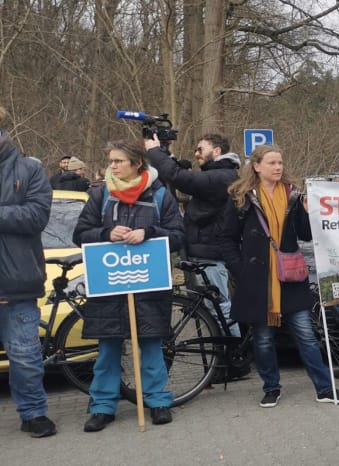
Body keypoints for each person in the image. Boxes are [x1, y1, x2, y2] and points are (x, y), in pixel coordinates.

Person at [227, 145, 339, 407]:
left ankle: (325, 388)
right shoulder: (242, 197)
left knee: (306, 335)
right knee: (262, 339)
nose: (278, 167)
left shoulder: (294, 196)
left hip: (291, 277)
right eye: (272, 163)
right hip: (259, 280)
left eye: (280, 162)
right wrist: (240, 269)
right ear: (257, 166)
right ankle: (271, 387)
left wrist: (307, 212)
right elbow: (227, 238)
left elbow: (306, 235)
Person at [72, 140, 185, 431]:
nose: (112, 166)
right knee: (108, 348)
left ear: (137, 163)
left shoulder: (160, 196)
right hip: (109, 285)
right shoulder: (99, 195)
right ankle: (102, 406)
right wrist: (107, 233)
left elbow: (178, 235)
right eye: (111, 161)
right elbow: (80, 234)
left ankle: (158, 401)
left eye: (118, 161)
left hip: (148, 285)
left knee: (150, 345)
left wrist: (148, 232)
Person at [146, 133, 241, 336]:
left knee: (219, 307)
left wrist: (154, 153)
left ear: (216, 151)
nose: (196, 154)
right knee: (212, 308)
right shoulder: (216, 174)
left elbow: (182, 179)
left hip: (212, 255)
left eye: (200, 149)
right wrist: (166, 155)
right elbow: (182, 175)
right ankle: (228, 355)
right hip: (204, 252)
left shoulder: (224, 176)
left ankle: (235, 357)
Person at [0, 109, 57, 438]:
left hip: (17, 282)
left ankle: (33, 413)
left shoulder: (30, 169)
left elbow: (36, 216)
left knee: (24, 355)